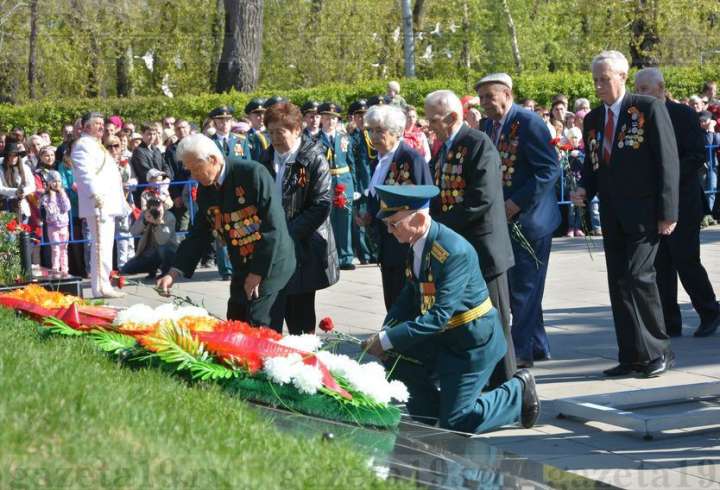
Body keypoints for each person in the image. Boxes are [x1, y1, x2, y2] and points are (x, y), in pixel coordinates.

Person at [362, 184, 539, 433]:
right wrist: (387, 332)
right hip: (443, 337)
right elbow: (410, 294)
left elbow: (438, 316)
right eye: (387, 225)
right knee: (394, 357)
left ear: (420, 218)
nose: (390, 231)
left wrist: (388, 339)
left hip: (471, 342)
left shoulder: (452, 252)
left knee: (457, 423)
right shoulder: (417, 242)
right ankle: (431, 413)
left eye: (394, 224)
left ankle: (517, 393)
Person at [571, 51, 679, 377]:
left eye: (604, 78)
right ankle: (631, 354)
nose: (599, 85)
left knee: (639, 276)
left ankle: (658, 351)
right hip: (612, 213)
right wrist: (584, 191)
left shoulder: (646, 109)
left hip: (646, 212)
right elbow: (594, 163)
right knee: (619, 282)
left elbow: (667, 161)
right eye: (595, 80)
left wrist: (668, 210)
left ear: (622, 76)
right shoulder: (592, 119)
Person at [425, 89, 517, 386]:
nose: (429, 126)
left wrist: (438, 227)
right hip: (459, 250)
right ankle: (479, 383)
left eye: (434, 119)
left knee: (495, 322)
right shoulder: (444, 147)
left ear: (452, 117)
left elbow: (480, 200)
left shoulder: (478, 144)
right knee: (469, 322)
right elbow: (440, 194)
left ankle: (508, 386)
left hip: (483, 249)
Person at [156, 134, 296, 327]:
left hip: (270, 264)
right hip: (241, 263)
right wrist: (173, 271)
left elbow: (273, 228)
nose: (193, 176)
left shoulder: (252, 174)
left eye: (196, 169)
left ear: (212, 160)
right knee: (235, 322)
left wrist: (257, 273)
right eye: (189, 171)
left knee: (259, 325)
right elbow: (199, 232)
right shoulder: (206, 189)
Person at [476, 73, 561, 368]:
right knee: (520, 287)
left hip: (531, 221)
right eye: (482, 98)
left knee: (523, 287)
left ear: (507, 94)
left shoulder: (529, 123)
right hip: (503, 219)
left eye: (490, 96)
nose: (485, 103)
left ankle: (520, 353)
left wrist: (516, 202)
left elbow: (549, 170)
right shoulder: (487, 125)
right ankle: (537, 344)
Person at [635, 68, 720, 338]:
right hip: (652, 203)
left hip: (683, 199)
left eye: (644, 89)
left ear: (660, 88)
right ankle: (669, 321)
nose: (639, 94)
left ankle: (709, 312)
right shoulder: (638, 118)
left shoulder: (682, 114)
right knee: (660, 265)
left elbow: (696, 157)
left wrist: (665, 175)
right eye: (636, 89)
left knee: (686, 259)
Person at [258, 102, 340, 334]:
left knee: (300, 319)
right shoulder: (264, 158)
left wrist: (287, 234)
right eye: (270, 132)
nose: (275, 138)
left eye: (280, 132)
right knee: (268, 317)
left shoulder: (313, 158)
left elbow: (321, 204)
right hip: (272, 248)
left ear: (296, 130)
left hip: (302, 248)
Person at [363, 103, 432, 310]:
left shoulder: (411, 159)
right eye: (371, 130)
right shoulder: (379, 160)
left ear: (396, 132)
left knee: (407, 305)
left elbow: (426, 202)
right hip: (387, 246)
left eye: (379, 131)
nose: (374, 136)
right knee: (391, 303)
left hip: (407, 248)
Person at [71, 112, 127, 298]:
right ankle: (101, 288)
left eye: (102, 123)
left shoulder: (96, 146)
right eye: (97, 123)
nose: (102, 127)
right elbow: (85, 174)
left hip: (107, 202)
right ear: (86, 127)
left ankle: (104, 284)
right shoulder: (82, 146)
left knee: (105, 245)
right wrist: (95, 194)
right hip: (98, 203)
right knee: (100, 245)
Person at [318, 102, 356, 270]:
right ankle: (329, 256)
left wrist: (355, 188)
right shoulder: (315, 140)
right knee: (328, 221)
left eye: (333, 118)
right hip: (326, 184)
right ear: (322, 120)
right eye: (327, 118)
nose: (331, 121)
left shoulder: (345, 138)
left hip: (344, 183)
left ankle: (346, 256)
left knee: (345, 220)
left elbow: (352, 163)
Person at [347, 99, 376, 265]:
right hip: (359, 182)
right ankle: (365, 254)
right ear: (353, 118)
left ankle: (374, 252)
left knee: (372, 216)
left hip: (372, 182)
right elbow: (352, 164)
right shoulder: (352, 137)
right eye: (359, 115)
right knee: (360, 219)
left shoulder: (372, 134)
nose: (362, 118)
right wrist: (356, 186)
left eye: (364, 114)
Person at [122, 196, 178, 280]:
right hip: (150, 252)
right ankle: (152, 270)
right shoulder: (146, 214)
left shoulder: (169, 216)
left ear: (162, 205)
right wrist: (144, 221)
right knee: (127, 269)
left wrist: (157, 223)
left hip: (167, 251)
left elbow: (162, 240)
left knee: (163, 249)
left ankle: (166, 272)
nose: (154, 208)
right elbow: (133, 232)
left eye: (157, 205)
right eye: (151, 205)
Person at [106, 134, 135, 269]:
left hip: (125, 200)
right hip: (111, 202)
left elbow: (132, 180)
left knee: (128, 232)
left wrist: (130, 185)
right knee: (119, 234)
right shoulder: (103, 163)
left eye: (116, 145)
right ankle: (123, 264)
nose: (113, 149)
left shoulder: (125, 163)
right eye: (109, 146)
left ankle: (131, 261)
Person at [40, 170, 71, 273]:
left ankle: (65, 270)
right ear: (48, 183)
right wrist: (52, 197)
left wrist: (62, 193)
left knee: (64, 249)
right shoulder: (46, 197)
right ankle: (55, 269)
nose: (56, 183)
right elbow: (51, 212)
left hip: (64, 226)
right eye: (53, 181)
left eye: (58, 181)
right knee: (55, 249)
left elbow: (67, 207)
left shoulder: (63, 194)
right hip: (53, 227)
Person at [0, 141, 35, 224]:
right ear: (6, 156)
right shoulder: (1, 169)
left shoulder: (25, 168)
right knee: (9, 235)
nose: (13, 158)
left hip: (21, 205)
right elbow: (0, 188)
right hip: (5, 206)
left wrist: (23, 191)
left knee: (23, 234)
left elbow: (32, 186)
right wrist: (16, 192)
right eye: (10, 155)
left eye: (15, 155)